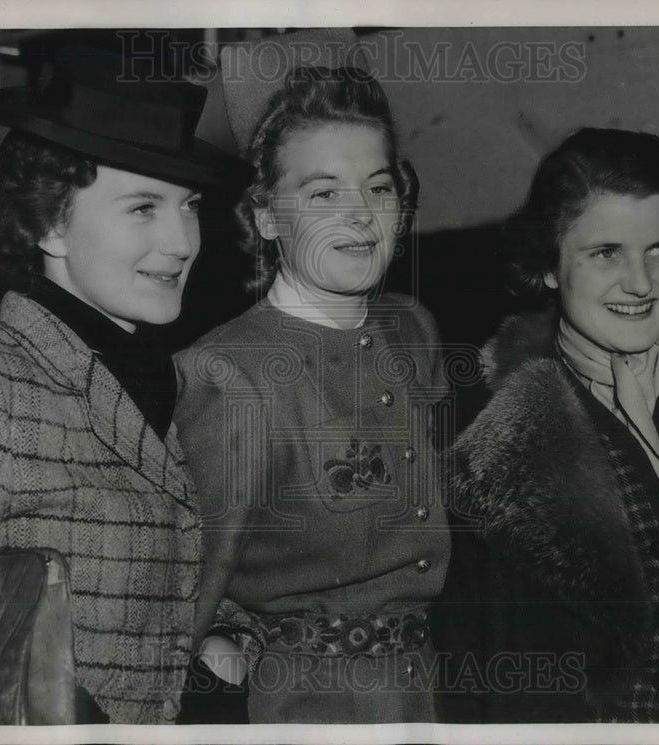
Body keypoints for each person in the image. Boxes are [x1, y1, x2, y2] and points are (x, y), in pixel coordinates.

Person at [0, 47, 257, 725]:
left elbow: (139, 569)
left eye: (189, 206)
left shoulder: (151, 384)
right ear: (49, 221)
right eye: (143, 207)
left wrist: (223, 631)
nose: (181, 242)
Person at [433, 128, 659, 723]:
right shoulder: (485, 446)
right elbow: (487, 686)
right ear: (546, 267)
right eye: (605, 253)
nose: (641, 283)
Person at [172, 65, 450, 723]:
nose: (360, 214)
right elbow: (175, 590)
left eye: (378, 186)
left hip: (420, 693)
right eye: (322, 194)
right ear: (266, 216)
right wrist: (213, 644)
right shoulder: (228, 372)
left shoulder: (411, 331)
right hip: (304, 706)